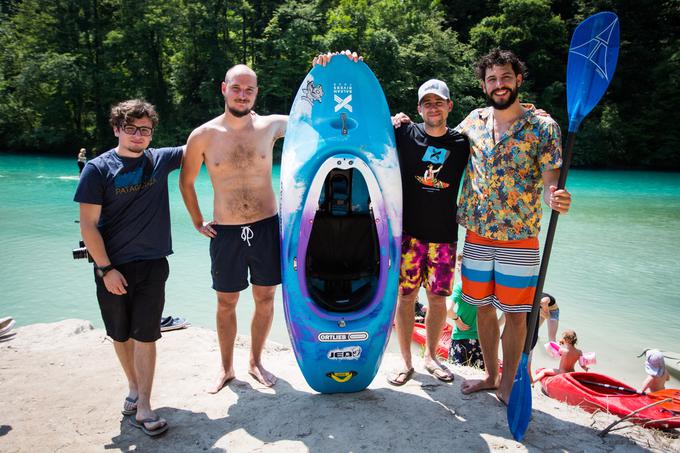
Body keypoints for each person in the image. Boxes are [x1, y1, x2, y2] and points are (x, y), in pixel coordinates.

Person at [456, 49, 572, 404]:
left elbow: (552, 180)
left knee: (518, 316)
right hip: (476, 234)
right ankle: (490, 375)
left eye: (506, 77)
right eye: (492, 79)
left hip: (519, 238)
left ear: (518, 79)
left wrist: (557, 198)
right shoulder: (473, 121)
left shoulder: (543, 127)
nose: (499, 84)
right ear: (483, 84)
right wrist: (402, 123)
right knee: (483, 308)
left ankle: (509, 382)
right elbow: (438, 139)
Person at [74, 99, 184, 436]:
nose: (138, 135)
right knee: (120, 334)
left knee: (146, 334)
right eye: (131, 128)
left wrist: (246, 116)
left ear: (152, 133)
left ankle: (146, 406)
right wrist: (106, 269)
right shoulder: (97, 169)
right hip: (113, 268)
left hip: (152, 265)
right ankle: (134, 388)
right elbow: (88, 225)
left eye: (145, 130)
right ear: (117, 128)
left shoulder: (160, 159)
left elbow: (205, 140)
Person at [179, 64, 288, 392]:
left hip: (267, 226)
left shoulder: (271, 126)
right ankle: (226, 368)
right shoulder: (202, 136)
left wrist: (330, 68)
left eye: (249, 89)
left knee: (265, 297)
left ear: (257, 92)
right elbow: (186, 183)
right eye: (237, 88)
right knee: (226, 301)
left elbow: (318, 115)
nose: (243, 94)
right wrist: (197, 221)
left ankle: (255, 361)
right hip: (226, 231)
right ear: (224, 89)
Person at [448, 254, 484, 369]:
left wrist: (456, 320)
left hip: (460, 338)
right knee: (478, 378)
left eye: (461, 266)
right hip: (481, 340)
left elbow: (448, 309)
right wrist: (496, 325)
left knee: (458, 377)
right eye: (458, 266)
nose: (459, 269)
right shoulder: (485, 287)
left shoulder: (460, 287)